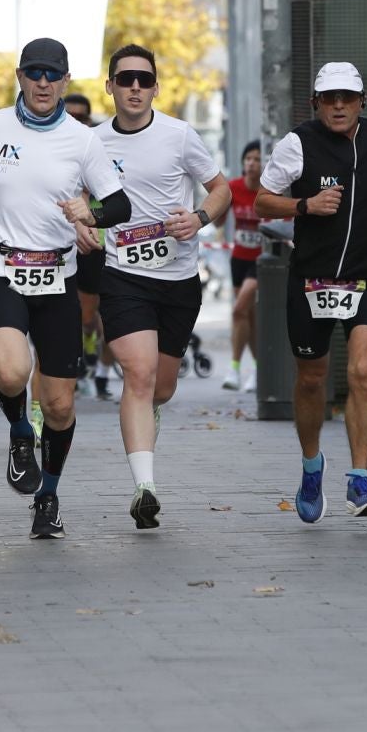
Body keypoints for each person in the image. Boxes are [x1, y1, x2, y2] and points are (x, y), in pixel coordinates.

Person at [0, 38, 129, 539]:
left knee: (61, 405)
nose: (43, 83)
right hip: (0, 263)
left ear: (66, 81)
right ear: (20, 77)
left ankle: (47, 497)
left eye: (53, 75)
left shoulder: (83, 140)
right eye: (35, 74)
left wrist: (89, 213)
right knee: (10, 372)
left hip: (58, 275)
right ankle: (20, 433)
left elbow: (120, 205)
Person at [255, 62, 367, 523]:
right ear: (316, 102)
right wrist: (306, 204)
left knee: (362, 370)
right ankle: (311, 466)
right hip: (312, 279)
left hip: (366, 273)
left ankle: (360, 478)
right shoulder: (297, 144)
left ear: (363, 100)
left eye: (347, 97)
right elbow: (262, 199)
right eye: (329, 98)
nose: (338, 105)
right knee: (311, 379)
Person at [90, 45, 230, 529]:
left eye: (143, 80)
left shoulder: (179, 135)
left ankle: (147, 421)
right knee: (140, 375)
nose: (134, 87)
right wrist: (82, 225)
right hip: (123, 276)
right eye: (124, 79)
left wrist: (198, 218)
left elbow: (221, 189)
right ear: (109, 86)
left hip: (178, 279)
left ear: (155, 87)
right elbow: (69, 196)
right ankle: (144, 488)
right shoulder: (90, 143)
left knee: (161, 387)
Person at [62, 92, 113, 401]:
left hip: (100, 243)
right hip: (62, 244)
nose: (76, 122)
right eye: (70, 116)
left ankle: (102, 372)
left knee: (102, 317)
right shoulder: (50, 145)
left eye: (82, 117)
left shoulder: (97, 147)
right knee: (81, 316)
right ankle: (80, 363)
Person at [223, 141, 264, 392]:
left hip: (261, 261)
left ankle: (235, 368)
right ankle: (259, 368)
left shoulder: (271, 191)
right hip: (239, 258)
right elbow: (218, 224)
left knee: (239, 310)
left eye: (257, 159)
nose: (251, 163)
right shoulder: (233, 187)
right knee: (247, 315)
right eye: (248, 158)